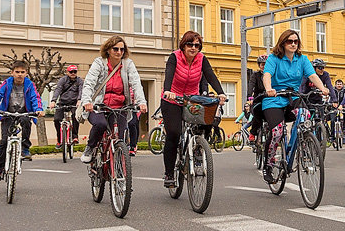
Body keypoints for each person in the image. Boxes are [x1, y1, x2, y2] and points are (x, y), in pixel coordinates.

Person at [261, 28, 330, 182]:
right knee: (277, 132)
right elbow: (267, 75)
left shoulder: (302, 59)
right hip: (275, 98)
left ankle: (302, 143)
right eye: (289, 41)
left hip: (293, 96)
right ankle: (269, 164)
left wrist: (323, 88)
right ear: (283, 43)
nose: (293, 44)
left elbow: (312, 75)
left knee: (305, 117)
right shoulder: (274, 58)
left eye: (295, 41)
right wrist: (268, 89)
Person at [160, 31, 227, 188]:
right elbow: (169, 73)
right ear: (183, 45)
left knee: (204, 123)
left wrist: (221, 92)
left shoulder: (201, 59)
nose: (193, 48)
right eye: (190, 44)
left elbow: (210, 75)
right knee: (174, 134)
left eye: (197, 45)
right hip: (172, 99)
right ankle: (169, 173)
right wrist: (168, 90)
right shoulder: (175, 57)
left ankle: (197, 148)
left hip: (191, 99)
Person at [80, 35, 147, 163]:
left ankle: (118, 169)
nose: (119, 52)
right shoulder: (99, 63)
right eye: (115, 49)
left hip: (119, 107)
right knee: (100, 125)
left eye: (122, 49)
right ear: (108, 50)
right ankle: (90, 147)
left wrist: (141, 102)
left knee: (119, 138)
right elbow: (89, 83)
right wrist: (87, 101)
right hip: (99, 106)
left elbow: (136, 83)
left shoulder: (128, 64)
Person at [0, 61, 43, 180]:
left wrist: (38, 109)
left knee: (26, 122)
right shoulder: (6, 83)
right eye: (17, 72)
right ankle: (0, 168)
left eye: (22, 72)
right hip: (8, 114)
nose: (19, 75)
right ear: (12, 72)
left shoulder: (30, 84)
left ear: (26, 73)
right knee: (4, 142)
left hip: (24, 112)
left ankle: (25, 148)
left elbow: (35, 97)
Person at [50, 63, 83, 149]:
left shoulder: (79, 81)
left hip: (74, 103)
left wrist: (79, 100)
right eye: (71, 71)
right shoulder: (63, 80)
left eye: (75, 71)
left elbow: (81, 90)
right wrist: (53, 101)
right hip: (63, 102)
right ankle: (59, 139)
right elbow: (58, 90)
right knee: (57, 119)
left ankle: (75, 136)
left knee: (76, 116)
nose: (73, 73)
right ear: (67, 72)